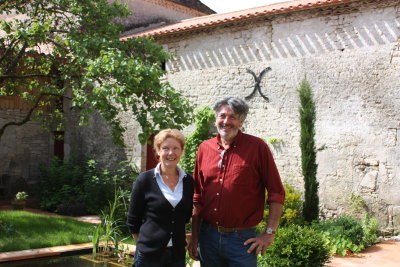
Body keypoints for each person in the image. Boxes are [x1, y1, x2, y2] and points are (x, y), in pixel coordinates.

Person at [188, 97, 286, 267]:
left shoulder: (257, 147)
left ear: (241, 122)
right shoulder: (204, 148)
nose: (226, 121)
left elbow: (276, 192)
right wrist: (195, 236)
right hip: (208, 237)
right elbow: (197, 197)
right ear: (216, 118)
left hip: (242, 241)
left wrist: (269, 233)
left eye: (232, 117)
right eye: (222, 116)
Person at [127, 129, 194, 267]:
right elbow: (133, 220)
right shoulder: (144, 180)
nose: (171, 153)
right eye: (165, 148)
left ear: (181, 151)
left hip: (177, 255)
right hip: (148, 256)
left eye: (176, 148)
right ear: (158, 151)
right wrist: (145, 245)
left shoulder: (188, 181)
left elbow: (186, 216)